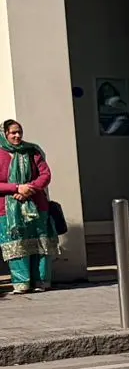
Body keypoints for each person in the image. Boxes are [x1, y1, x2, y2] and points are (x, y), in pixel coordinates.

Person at [0, 119, 59, 293]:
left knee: (40, 243)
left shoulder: (32, 151)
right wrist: (16, 188)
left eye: (19, 132)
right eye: (13, 133)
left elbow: (45, 175)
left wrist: (29, 189)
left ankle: (41, 281)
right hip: (8, 209)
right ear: (4, 134)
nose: (17, 135)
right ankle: (22, 283)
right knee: (17, 245)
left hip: (36, 204)